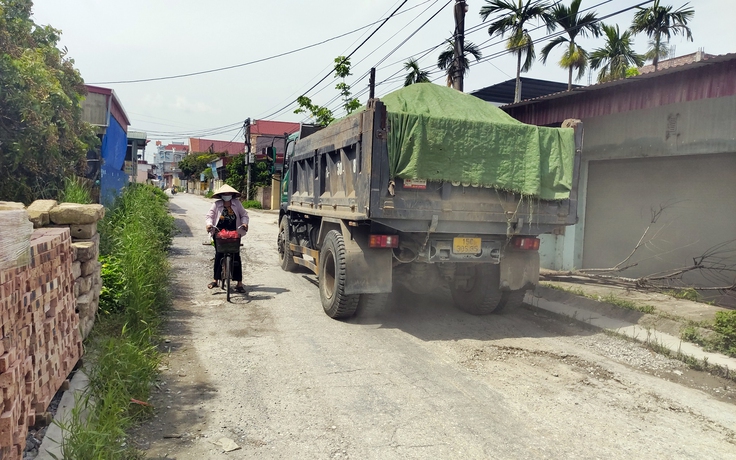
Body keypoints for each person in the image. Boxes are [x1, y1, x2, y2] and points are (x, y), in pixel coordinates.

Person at [205, 184, 249, 292]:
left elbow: (244, 215)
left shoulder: (237, 204)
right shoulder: (216, 205)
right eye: (225, 194)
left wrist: (245, 223)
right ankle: (215, 280)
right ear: (221, 195)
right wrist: (209, 224)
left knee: (236, 256)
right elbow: (209, 216)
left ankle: (239, 283)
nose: (227, 195)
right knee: (219, 254)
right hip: (219, 233)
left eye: (229, 193)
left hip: (234, 233)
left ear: (232, 195)